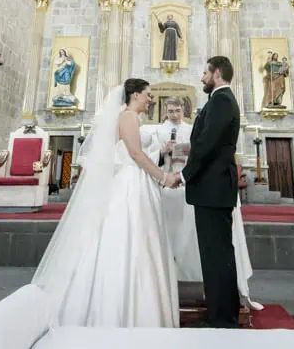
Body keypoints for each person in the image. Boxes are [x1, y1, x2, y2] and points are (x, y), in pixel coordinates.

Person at [31, 79, 181, 327]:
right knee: (129, 238)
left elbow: (132, 154)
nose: (150, 99)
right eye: (147, 94)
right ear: (134, 95)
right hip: (131, 184)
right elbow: (134, 154)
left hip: (135, 180)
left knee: (138, 238)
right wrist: (164, 177)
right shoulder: (128, 117)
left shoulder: (130, 118)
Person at [155, 98, 261, 310]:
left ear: (183, 111)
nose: (173, 114)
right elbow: (152, 156)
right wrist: (163, 152)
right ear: (164, 111)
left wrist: (182, 151)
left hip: (189, 183)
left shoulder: (192, 129)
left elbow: (200, 152)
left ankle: (193, 276)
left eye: (177, 110)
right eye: (170, 111)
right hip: (167, 181)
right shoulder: (158, 131)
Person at [179, 56, 241, 328]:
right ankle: (222, 312)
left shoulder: (222, 100)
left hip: (213, 188)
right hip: (211, 189)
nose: (202, 77)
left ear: (217, 73)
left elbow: (206, 144)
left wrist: (183, 174)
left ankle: (223, 319)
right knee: (215, 253)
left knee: (216, 254)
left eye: (205, 72)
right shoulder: (218, 100)